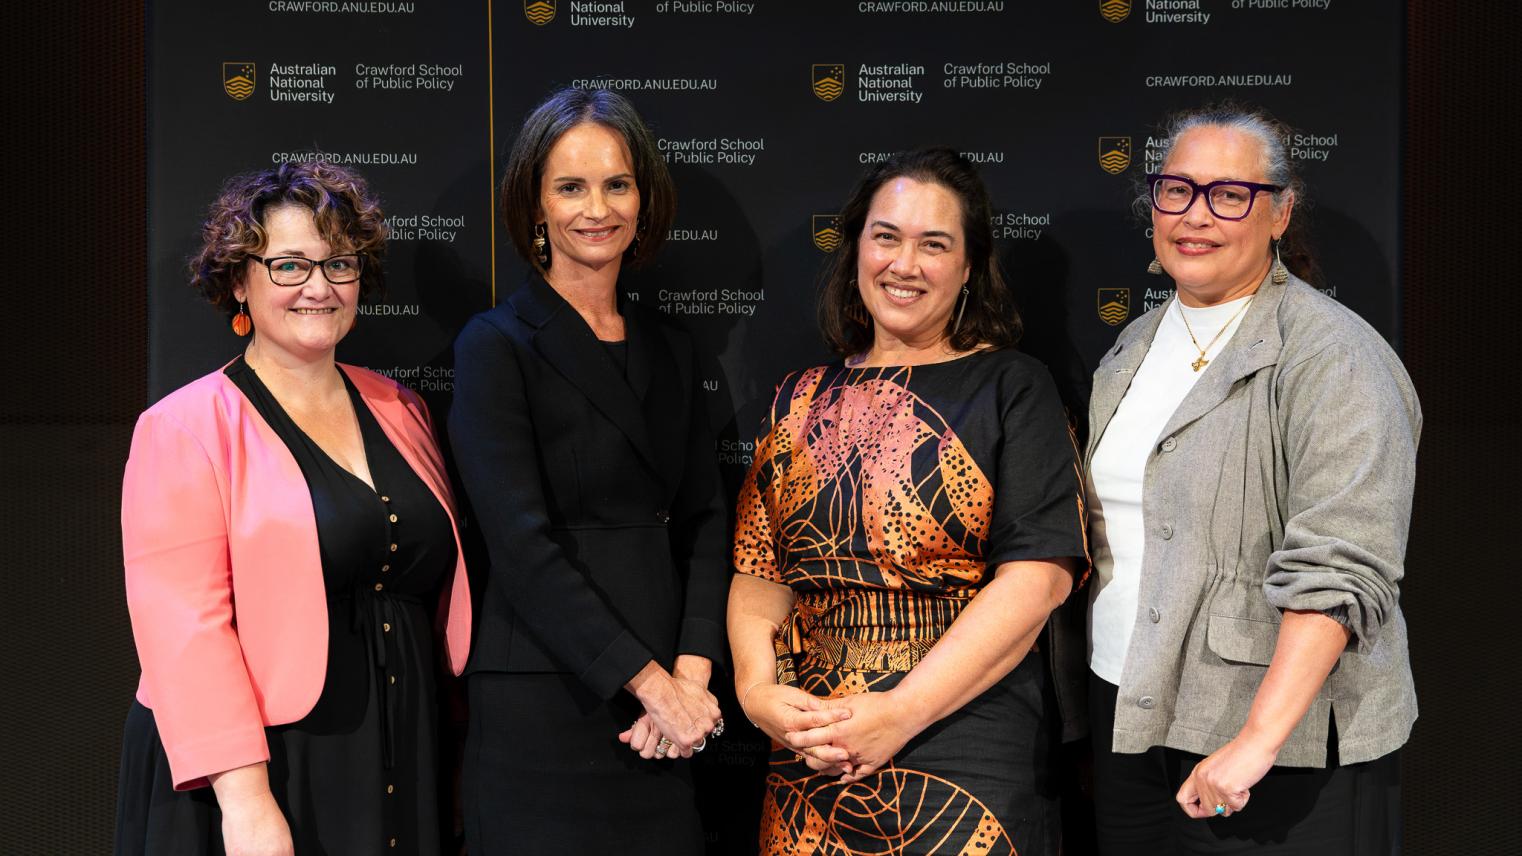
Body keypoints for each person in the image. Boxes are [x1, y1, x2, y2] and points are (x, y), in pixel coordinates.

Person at [728, 147, 1089, 855]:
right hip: (811, 751)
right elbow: (759, 570)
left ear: (967, 266)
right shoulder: (796, 398)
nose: (904, 263)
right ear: (856, 245)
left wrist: (900, 713)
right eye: (886, 236)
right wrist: (756, 692)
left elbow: (1039, 578)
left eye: (934, 244)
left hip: (963, 748)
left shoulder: (1014, 388)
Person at [1083, 104, 1418, 853]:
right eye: (1177, 190)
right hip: (1130, 719)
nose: (1196, 216)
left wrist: (1256, 742)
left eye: (1229, 194)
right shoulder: (1133, 345)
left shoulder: (1334, 356)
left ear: (1280, 212)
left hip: (1273, 748)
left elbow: (1342, 568)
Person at [114, 160, 473, 855]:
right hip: (256, 766)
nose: (319, 286)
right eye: (289, 265)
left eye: (339, 263)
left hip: (396, 746)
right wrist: (246, 803)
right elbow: (184, 629)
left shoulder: (401, 407)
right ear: (240, 280)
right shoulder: (184, 425)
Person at [448, 88, 727, 855]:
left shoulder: (671, 343)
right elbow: (521, 545)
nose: (595, 207)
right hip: (548, 696)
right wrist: (650, 685)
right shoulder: (496, 345)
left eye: (616, 184)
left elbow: (706, 520)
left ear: (644, 198)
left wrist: (693, 680)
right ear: (535, 205)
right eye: (570, 186)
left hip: (670, 714)